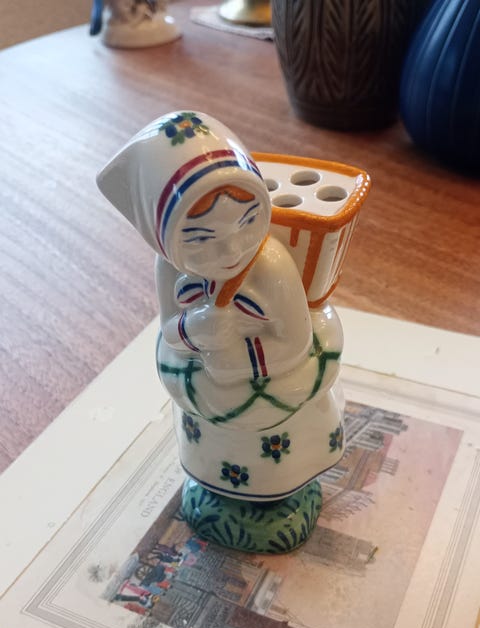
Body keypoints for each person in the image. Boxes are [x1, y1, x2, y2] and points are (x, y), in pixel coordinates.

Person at [97, 111, 344, 501]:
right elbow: (171, 330)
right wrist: (195, 328)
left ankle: (282, 488)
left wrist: (232, 361)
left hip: (268, 382)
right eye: (200, 239)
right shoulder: (169, 267)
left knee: (275, 436)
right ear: (162, 238)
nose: (231, 251)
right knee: (204, 420)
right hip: (206, 398)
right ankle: (215, 484)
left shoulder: (270, 264)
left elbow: (296, 341)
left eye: (247, 223)